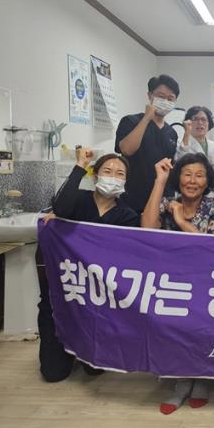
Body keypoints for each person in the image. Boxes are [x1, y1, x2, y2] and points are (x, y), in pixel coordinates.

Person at [38, 148, 139, 383]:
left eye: (119, 174)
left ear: (125, 181)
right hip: (66, 289)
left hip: (97, 296)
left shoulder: (127, 215)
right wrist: (80, 165)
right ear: (95, 175)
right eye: (107, 171)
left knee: (94, 369)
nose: (112, 177)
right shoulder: (77, 200)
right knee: (53, 373)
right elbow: (61, 208)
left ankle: (84, 351)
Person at [141, 152, 214, 414]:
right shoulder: (168, 202)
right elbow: (147, 230)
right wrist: (160, 181)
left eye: (199, 175)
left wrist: (180, 221)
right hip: (172, 281)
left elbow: (211, 245)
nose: (192, 180)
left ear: (207, 181)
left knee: (202, 331)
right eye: (187, 174)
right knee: (176, 331)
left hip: (207, 280)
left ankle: (201, 378)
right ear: (178, 178)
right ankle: (181, 381)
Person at [115, 75, 180, 213]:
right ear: (150, 95)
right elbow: (127, 150)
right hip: (133, 198)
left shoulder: (172, 133)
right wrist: (146, 118)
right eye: (161, 96)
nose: (165, 101)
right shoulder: (131, 121)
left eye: (170, 99)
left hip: (162, 200)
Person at [175, 106, 214, 177]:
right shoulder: (180, 143)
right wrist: (187, 132)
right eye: (195, 119)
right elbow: (179, 163)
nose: (200, 122)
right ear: (188, 122)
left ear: (209, 123)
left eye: (203, 119)